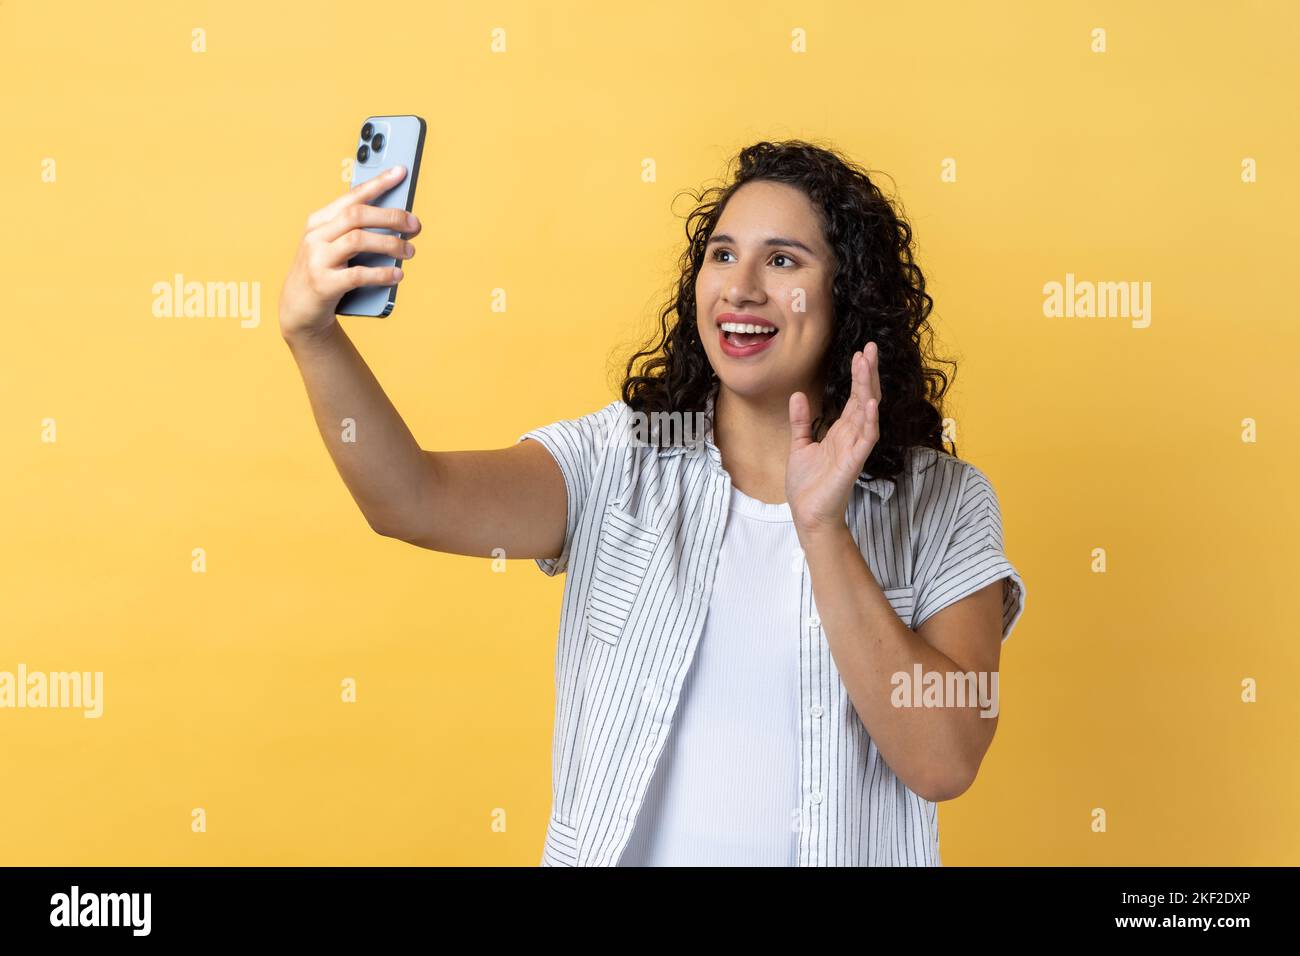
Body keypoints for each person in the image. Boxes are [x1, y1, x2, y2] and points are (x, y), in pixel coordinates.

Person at [278, 139, 1027, 867]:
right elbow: (412, 499)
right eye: (723, 254)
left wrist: (823, 528)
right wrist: (313, 336)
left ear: (850, 298)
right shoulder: (619, 460)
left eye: (783, 260)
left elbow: (944, 760)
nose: (740, 287)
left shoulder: (944, 503)